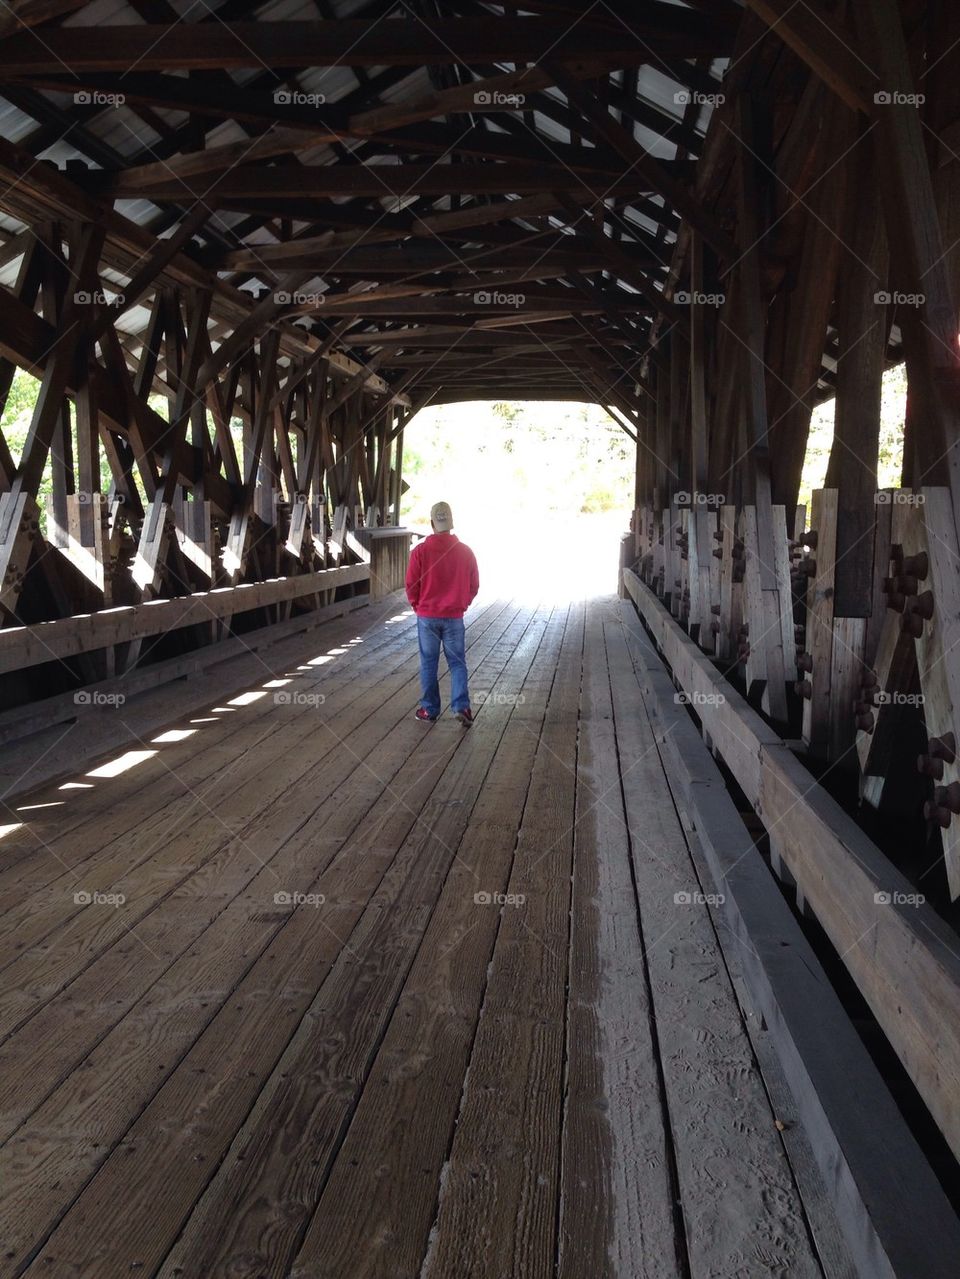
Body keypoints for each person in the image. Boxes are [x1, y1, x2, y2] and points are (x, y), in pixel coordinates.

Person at [404, 500, 479, 725]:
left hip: (427, 617)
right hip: (454, 617)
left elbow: (411, 584)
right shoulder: (466, 552)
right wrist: (462, 604)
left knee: (429, 662)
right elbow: (474, 585)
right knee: (457, 662)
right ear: (451, 523)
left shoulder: (420, 552)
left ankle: (429, 710)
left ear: (431, 524)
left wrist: (419, 607)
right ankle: (461, 707)